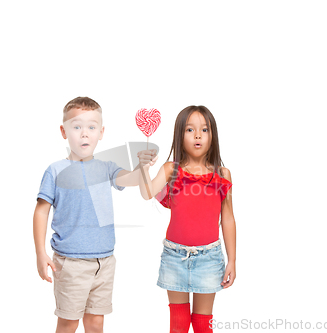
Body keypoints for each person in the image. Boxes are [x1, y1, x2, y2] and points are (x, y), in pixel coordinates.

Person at [33, 96, 156, 333]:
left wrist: (143, 167)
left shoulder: (106, 167)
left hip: (105, 261)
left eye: (91, 127)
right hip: (71, 263)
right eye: (77, 127)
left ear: (101, 132)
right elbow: (41, 211)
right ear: (63, 131)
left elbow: (130, 179)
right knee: (68, 322)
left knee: (96, 322)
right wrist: (40, 253)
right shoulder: (55, 170)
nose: (84, 134)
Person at [137, 105, 236, 333]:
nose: (198, 135)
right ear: (179, 135)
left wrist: (232, 260)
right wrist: (142, 167)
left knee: (203, 325)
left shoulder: (222, 174)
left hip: (209, 258)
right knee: (179, 324)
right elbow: (147, 193)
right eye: (190, 130)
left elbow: (228, 219)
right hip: (175, 256)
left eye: (205, 129)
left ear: (213, 135)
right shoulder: (171, 169)